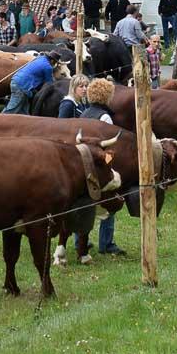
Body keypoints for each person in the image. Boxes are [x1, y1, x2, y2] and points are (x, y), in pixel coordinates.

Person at [79, 78, 124, 256]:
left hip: (84, 164)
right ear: (108, 96)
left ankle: (81, 241)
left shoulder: (83, 114)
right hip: (99, 166)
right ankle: (106, 243)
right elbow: (109, 146)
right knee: (109, 203)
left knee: (83, 202)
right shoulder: (105, 117)